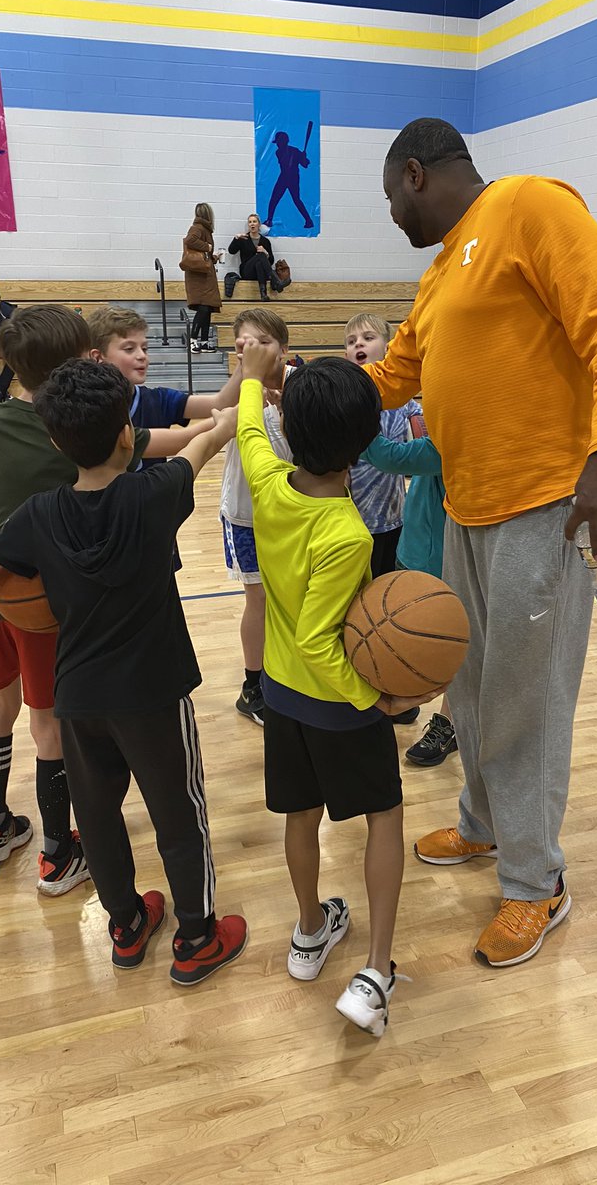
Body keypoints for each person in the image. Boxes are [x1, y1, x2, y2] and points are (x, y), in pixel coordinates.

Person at [366, 118, 597, 969]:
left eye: (389, 199)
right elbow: (393, 377)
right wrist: (304, 387)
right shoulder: (438, 272)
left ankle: (538, 884)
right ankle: (485, 828)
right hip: (465, 510)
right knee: (475, 687)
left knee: (528, 702)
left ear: (415, 173)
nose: (391, 217)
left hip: (546, 507)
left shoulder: (531, 206)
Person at [0, 359, 249, 984]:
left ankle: (126, 924)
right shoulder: (156, 492)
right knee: (179, 812)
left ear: (57, 442)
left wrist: (16, 565)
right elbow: (204, 444)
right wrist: (229, 411)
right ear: (125, 435)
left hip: (77, 694)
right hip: (154, 695)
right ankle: (196, 937)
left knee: (100, 816)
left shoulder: (37, 516)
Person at [0, 305, 216, 892]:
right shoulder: (76, 424)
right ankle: (56, 852)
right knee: (48, 726)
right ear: (74, 363)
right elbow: (180, 444)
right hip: (47, 605)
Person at [238, 345, 440, 1036]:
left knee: (302, 815)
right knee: (383, 815)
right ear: (365, 446)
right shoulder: (347, 533)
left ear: (288, 430)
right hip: (337, 705)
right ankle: (377, 971)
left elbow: (245, 432)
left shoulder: (267, 484)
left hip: (281, 698)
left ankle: (308, 932)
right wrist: (375, 701)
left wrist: (252, 381)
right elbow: (328, 644)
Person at [359, 430, 457, 766]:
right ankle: (403, 696)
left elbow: (391, 457)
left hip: (442, 562)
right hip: (414, 548)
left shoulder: (455, 437)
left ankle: (449, 723)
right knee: (399, 633)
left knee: (454, 647)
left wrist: (353, 413)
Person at [344, 313, 423, 726]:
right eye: (352, 340)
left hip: (392, 526)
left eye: (368, 337)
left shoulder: (407, 406)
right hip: (347, 530)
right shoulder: (342, 403)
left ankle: (393, 686)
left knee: (389, 613)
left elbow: (418, 453)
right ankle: (353, 688)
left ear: (388, 350)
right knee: (351, 613)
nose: (359, 343)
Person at [218, 308, 291, 727]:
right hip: (247, 515)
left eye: (263, 343)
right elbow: (212, 416)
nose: (254, 352)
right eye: (245, 345)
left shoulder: (300, 385)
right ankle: (252, 685)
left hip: (290, 510)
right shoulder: (237, 393)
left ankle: (284, 671)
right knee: (258, 599)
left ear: (284, 348)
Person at [87, 305, 244, 470]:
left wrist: (243, 363)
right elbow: (182, 440)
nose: (141, 356)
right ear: (98, 357)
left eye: (145, 348)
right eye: (129, 349)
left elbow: (219, 403)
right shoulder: (86, 409)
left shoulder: (159, 399)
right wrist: (232, 418)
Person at [181, 203, 222, 352]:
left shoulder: (204, 229)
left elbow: (201, 253)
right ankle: (193, 340)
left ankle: (204, 341)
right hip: (199, 277)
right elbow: (189, 240)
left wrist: (214, 257)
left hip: (204, 274)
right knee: (204, 308)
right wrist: (208, 247)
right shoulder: (197, 227)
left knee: (208, 308)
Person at [264, 130, 314, 230]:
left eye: (279, 142)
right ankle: (269, 220)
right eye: (277, 142)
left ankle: (309, 220)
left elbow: (305, 165)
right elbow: (286, 161)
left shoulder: (295, 151)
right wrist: (301, 156)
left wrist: (304, 157)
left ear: (284, 141)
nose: (277, 144)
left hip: (293, 178)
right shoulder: (279, 152)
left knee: (296, 200)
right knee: (274, 199)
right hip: (284, 177)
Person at [228, 214, 283, 302]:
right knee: (260, 256)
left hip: (259, 273)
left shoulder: (265, 241)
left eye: (254, 221)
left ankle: (263, 294)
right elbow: (231, 251)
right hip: (247, 271)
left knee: (259, 263)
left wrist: (266, 252)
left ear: (259, 224)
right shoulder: (243, 238)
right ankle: (276, 281)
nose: (252, 224)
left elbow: (271, 261)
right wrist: (236, 238)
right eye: (250, 222)